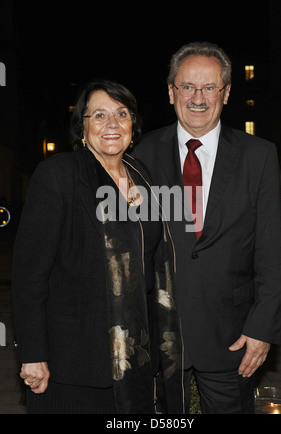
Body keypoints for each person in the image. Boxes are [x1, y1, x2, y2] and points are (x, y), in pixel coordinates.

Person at [12, 79, 184, 414]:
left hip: (136, 359)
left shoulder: (142, 176)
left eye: (121, 114)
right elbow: (29, 276)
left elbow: (152, 264)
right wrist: (33, 355)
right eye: (99, 115)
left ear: (133, 125)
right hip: (72, 365)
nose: (112, 124)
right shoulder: (58, 176)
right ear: (82, 127)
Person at [132, 42, 281, 414]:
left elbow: (270, 251)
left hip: (232, 336)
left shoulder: (259, 156)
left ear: (227, 92)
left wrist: (263, 329)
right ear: (171, 93)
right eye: (187, 87)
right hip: (158, 337)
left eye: (209, 87)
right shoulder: (141, 155)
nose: (197, 98)